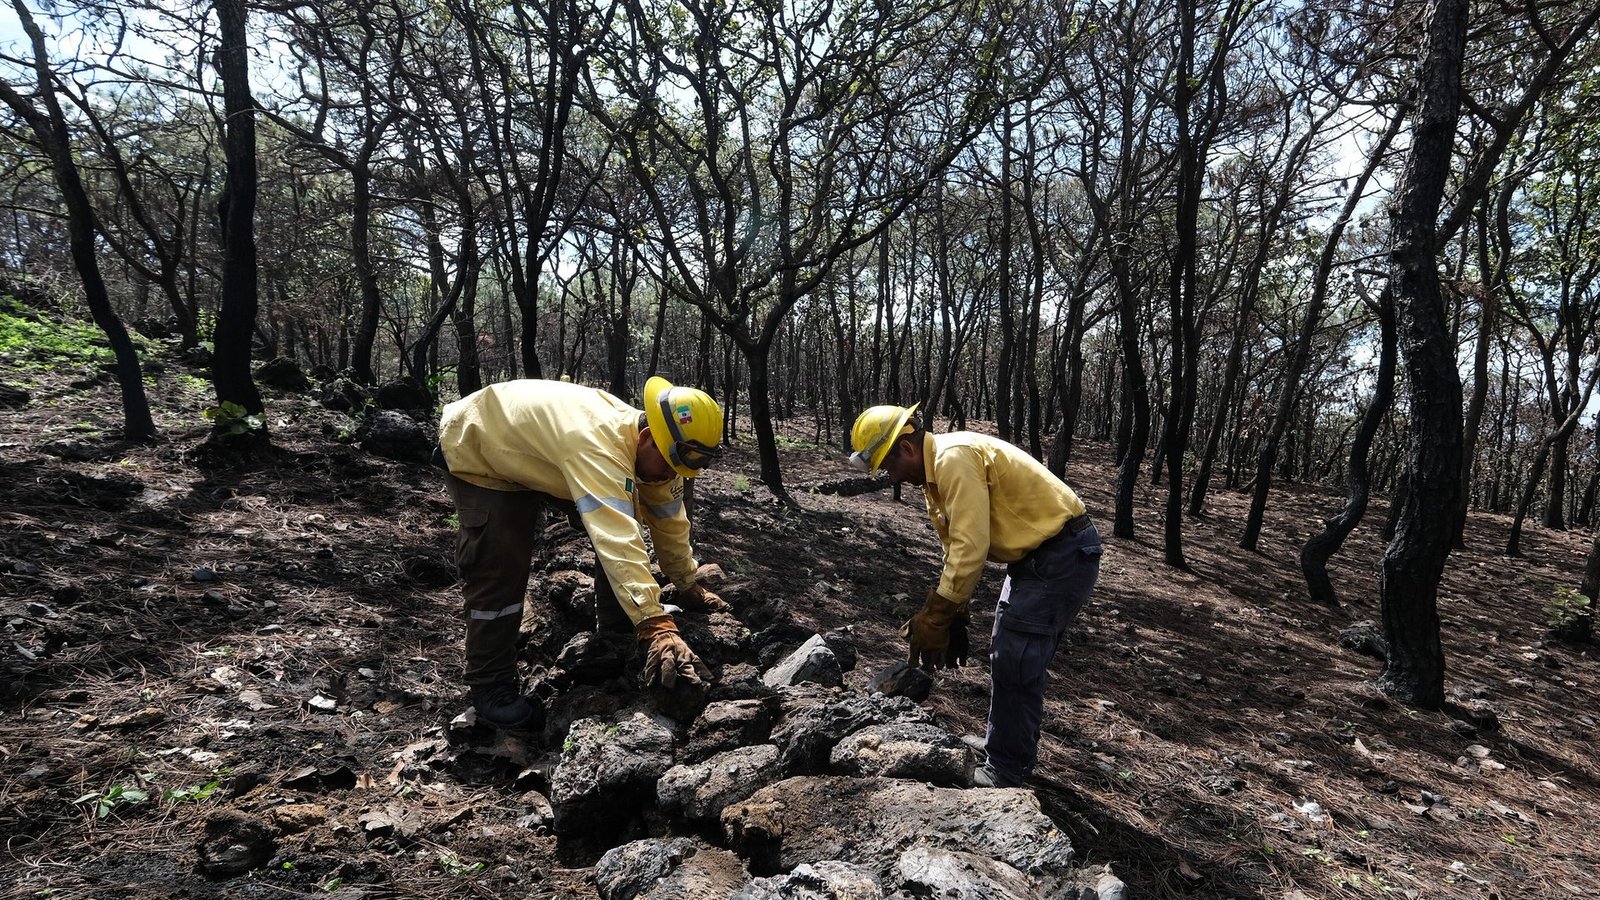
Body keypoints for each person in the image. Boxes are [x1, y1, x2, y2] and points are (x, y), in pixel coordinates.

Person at [435, 376, 728, 729]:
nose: (669, 475)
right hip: (481, 446)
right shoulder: (598, 449)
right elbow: (616, 537)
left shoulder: (660, 455)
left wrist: (686, 583)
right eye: (668, 465)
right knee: (501, 560)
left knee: (625, 511)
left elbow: (670, 523)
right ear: (647, 437)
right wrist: (655, 622)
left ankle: (616, 628)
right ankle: (490, 684)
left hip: (541, 449)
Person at [849, 403, 1102, 788]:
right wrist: (954, 610)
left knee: (1018, 659)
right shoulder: (935, 474)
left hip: (1060, 556)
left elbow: (971, 547)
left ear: (907, 448)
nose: (888, 475)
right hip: (1038, 559)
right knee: (1007, 653)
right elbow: (955, 547)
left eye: (887, 464)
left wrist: (937, 614)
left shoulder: (953, 460)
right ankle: (1001, 745)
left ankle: (1007, 768)